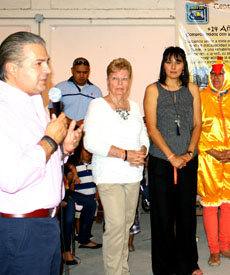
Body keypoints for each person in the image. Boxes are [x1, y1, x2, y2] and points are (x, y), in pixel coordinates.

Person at [0, 31, 82, 274]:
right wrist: (51, 140)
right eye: (38, 63)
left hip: (44, 225)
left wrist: (63, 150)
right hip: (19, 230)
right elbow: (12, 179)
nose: (48, 70)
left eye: (47, 61)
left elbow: (37, 160)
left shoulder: (31, 104)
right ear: (12, 68)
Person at [84, 58, 149, 275]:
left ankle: (123, 269)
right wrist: (125, 154)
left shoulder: (135, 106)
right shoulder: (97, 106)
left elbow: (143, 136)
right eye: (115, 78)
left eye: (124, 78)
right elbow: (90, 142)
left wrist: (142, 151)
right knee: (115, 227)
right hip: (109, 176)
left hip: (132, 175)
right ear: (107, 80)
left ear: (130, 81)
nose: (119, 84)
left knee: (125, 225)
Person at [144, 46, 202, 275]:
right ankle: (164, 267)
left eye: (178, 62)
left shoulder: (192, 89)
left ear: (184, 65)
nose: (174, 66)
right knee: (162, 217)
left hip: (188, 160)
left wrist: (188, 153)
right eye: (169, 62)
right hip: (161, 161)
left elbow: (197, 124)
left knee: (186, 214)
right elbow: (152, 128)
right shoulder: (153, 90)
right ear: (163, 65)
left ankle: (189, 264)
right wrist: (171, 156)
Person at [197, 57, 230, 266]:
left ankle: (226, 246)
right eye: (213, 74)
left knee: (228, 204)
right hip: (209, 159)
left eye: (220, 74)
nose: (216, 78)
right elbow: (195, 129)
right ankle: (214, 250)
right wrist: (213, 152)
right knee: (210, 205)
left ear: (227, 76)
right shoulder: (200, 98)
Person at [66, 144, 102, 250]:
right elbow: (72, 184)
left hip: (90, 196)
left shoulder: (93, 165)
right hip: (78, 195)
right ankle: (80, 236)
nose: (88, 154)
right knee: (77, 217)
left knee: (89, 213)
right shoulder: (76, 166)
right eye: (86, 152)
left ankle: (84, 236)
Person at [49, 57, 103, 123]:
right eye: (78, 72)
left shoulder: (96, 92)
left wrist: (85, 122)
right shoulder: (60, 88)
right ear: (72, 70)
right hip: (65, 131)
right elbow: (53, 112)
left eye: (85, 72)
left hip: (87, 131)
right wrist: (73, 123)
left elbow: (100, 115)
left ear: (89, 71)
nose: (81, 75)